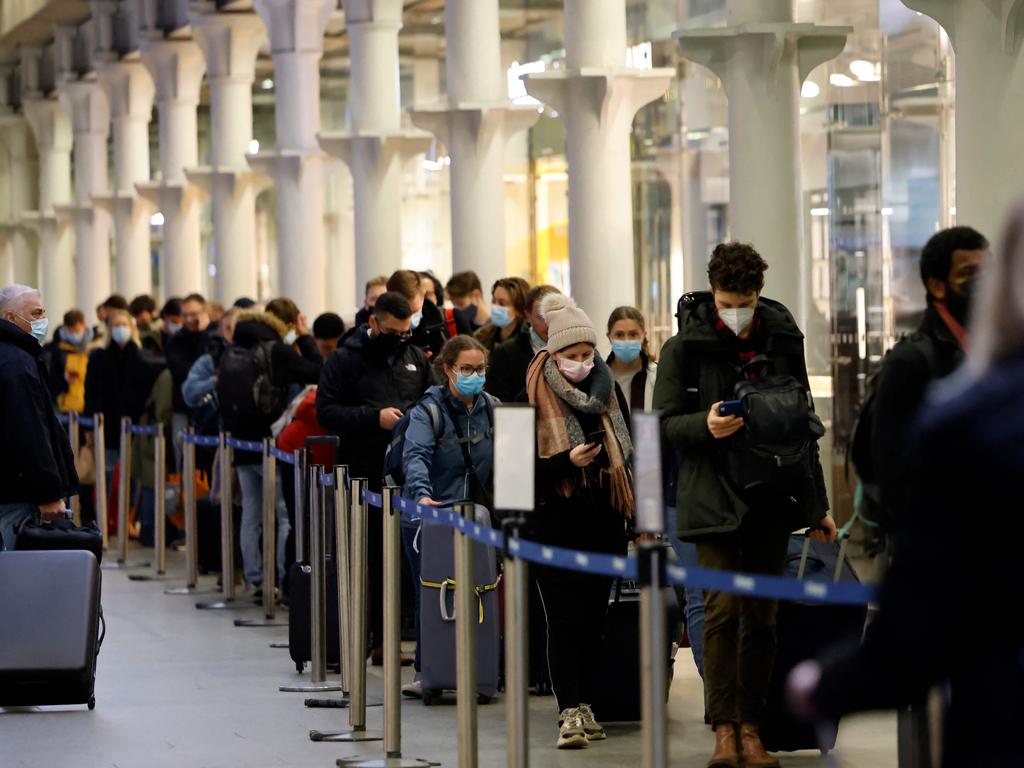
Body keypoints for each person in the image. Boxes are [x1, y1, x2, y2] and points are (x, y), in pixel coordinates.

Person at [787, 209, 1024, 768]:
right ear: (937, 284)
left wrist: (834, 684)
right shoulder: (919, 371)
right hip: (980, 643)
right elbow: (894, 471)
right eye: (971, 273)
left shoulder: (972, 410)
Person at [653, 242, 835, 768]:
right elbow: (662, 424)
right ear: (713, 292)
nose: (738, 309)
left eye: (747, 299)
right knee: (721, 611)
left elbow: (804, 428)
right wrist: (704, 426)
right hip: (710, 494)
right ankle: (723, 728)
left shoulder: (782, 338)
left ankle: (751, 726)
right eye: (729, 299)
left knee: (761, 617)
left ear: (759, 292)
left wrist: (817, 504)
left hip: (771, 497)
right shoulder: (683, 348)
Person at [526, 293, 634, 750]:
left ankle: (586, 703)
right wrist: (567, 462)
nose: (582, 363)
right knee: (564, 620)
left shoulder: (609, 392)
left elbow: (632, 455)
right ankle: (567, 709)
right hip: (555, 525)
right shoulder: (531, 394)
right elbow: (518, 472)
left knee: (594, 620)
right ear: (554, 354)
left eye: (588, 354)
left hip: (604, 522)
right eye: (572, 356)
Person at [316, 292, 432, 664]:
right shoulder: (345, 359)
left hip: (404, 474)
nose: (401, 337)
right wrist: (373, 417)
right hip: (360, 475)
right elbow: (327, 411)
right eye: (393, 330)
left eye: (405, 330)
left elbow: (430, 401)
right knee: (359, 559)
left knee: (396, 562)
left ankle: (388, 639)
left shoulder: (414, 357)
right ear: (374, 323)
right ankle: (350, 640)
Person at [867, 226, 988, 538]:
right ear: (936, 285)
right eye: (969, 273)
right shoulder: (910, 363)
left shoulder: (994, 353)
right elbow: (888, 469)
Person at [400, 335, 496, 694]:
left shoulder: (492, 408)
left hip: (475, 517)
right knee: (434, 593)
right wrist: (422, 497)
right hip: (430, 517)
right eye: (466, 369)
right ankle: (431, 670)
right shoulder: (429, 411)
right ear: (447, 369)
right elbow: (416, 456)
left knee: (477, 589)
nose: (474, 375)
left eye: (480, 368)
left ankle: (477, 665)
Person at [219, 309, 321, 598]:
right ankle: (279, 578)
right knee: (284, 514)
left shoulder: (233, 349)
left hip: (241, 443)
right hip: (271, 441)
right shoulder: (274, 350)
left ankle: (253, 577)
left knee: (251, 513)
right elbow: (317, 370)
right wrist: (304, 337)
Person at [0, 285, 78, 549]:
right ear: (10, 318)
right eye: (35, 314)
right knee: (17, 577)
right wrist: (50, 494)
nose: (43, 320)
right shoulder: (18, 363)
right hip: (17, 494)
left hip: (9, 487)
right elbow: (31, 432)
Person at [84, 309, 163, 511]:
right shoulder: (99, 357)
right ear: (109, 330)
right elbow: (91, 392)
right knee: (107, 473)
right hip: (107, 424)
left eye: (124, 325)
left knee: (132, 474)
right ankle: (105, 516)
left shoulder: (143, 358)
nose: (120, 330)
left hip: (134, 425)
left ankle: (128, 517)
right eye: (116, 326)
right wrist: (90, 423)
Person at [486, 285, 560, 403]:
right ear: (527, 316)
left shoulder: (576, 345)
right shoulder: (506, 352)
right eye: (541, 317)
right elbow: (498, 403)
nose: (549, 324)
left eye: (555, 316)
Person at [165, 293, 211, 469]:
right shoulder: (175, 341)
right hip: (183, 407)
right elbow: (183, 371)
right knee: (183, 454)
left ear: (204, 312)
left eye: (194, 314)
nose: (189, 319)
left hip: (210, 409)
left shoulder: (212, 335)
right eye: (185, 314)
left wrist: (204, 333)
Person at [605, 306, 657, 412]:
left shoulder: (657, 376)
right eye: (619, 335)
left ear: (643, 336)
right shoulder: (601, 377)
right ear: (609, 337)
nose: (626, 340)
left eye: (633, 334)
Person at [387, 269, 448, 359]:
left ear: (423, 294)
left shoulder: (437, 323)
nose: (409, 319)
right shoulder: (377, 329)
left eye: (414, 311)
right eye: (404, 313)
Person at [43, 308, 94, 414]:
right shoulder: (56, 350)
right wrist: (63, 379)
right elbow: (50, 380)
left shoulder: (93, 348)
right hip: (63, 406)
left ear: (83, 326)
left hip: (88, 406)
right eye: (71, 331)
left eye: (77, 330)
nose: (74, 334)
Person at [475, 277, 530, 353]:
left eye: (502, 303)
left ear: (519, 308)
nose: (495, 307)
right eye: (494, 301)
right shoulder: (482, 336)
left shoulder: (528, 341)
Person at [446, 271, 490, 335]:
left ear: (476, 295)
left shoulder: (496, 329)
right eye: (454, 305)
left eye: (460, 304)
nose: (457, 310)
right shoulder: (461, 329)